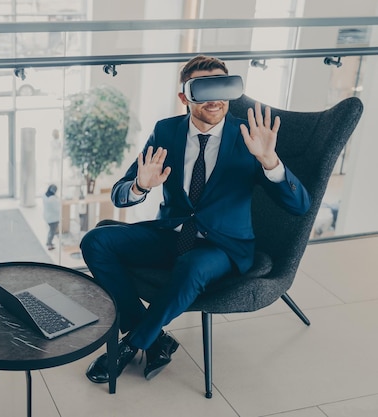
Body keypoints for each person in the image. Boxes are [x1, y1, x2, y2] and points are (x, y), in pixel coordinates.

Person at [81, 55, 311, 384]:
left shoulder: (249, 139)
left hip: (224, 247)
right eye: (202, 89)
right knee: (96, 241)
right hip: (171, 234)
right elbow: (119, 193)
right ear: (184, 97)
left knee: (193, 266)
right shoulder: (166, 131)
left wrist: (270, 160)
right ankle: (154, 336)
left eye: (220, 86)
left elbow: (300, 206)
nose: (214, 99)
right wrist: (140, 185)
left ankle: (131, 344)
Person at [43, 184, 61, 250]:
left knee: (51, 230)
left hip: (48, 216)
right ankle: (49, 244)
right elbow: (57, 209)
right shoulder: (52, 199)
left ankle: (48, 242)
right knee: (52, 231)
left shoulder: (45, 195)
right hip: (53, 218)